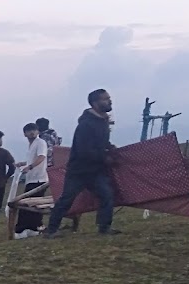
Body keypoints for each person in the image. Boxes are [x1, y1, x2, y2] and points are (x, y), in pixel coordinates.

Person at [44, 89, 118, 237]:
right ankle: (51, 230)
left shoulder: (102, 121)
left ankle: (104, 228)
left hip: (96, 170)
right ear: (95, 103)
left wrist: (109, 147)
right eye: (105, 99)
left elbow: (100, 142)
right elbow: (85, 150)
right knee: (66, 200)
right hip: (79, 171)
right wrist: (105, 158)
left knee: (107, 195)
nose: (109, 101)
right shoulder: (86, 125)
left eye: (109, 98)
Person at [14, 122, 49, 238]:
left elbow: (41, 157)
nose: (32, 132)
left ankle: (25, 228)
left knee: (29, 204)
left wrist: (30, 167)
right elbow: (32, 159)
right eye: (29, 131)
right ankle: (32, 228)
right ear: (25, 134)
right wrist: (23, 164)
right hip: (31, 179)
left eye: (34, 130)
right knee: (30, 204)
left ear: (38, 131)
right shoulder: (31, 145)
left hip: (39, 179)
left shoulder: (40, 142)